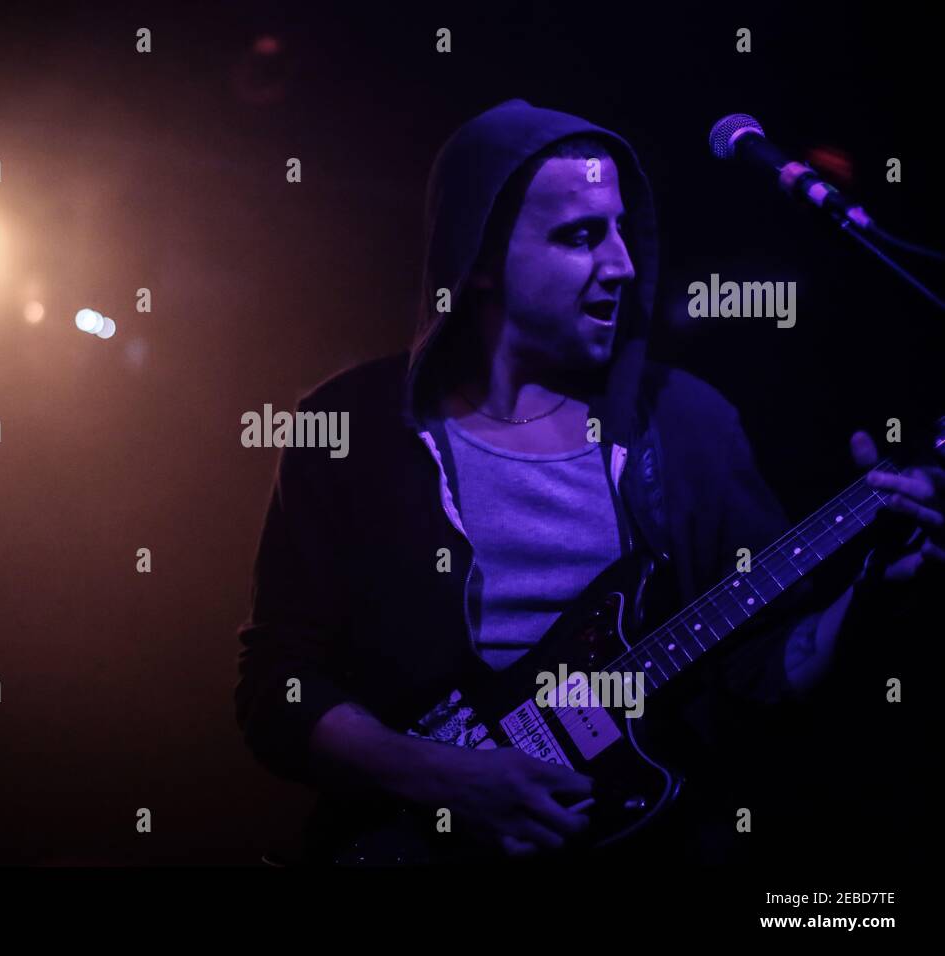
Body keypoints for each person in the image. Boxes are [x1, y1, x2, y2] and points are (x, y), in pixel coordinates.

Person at [234, 99, 943, 864]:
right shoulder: (354, 426)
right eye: (579, 236)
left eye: (620, 229)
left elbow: (767, 671)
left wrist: (867, 594)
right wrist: (443, 777)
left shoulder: (688, 425)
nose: (623, 263)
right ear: (476, 261)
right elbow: (278, 683)